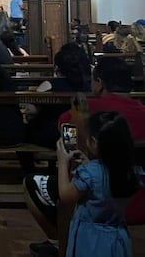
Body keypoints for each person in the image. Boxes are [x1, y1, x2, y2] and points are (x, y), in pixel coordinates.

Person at [25, 57, 145, 257]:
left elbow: (66, 137)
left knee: (34, 183)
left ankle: (58, 242)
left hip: (94, 202)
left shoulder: (86, 111)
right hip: (135, 193)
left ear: (99, 83)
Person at [57, 112, 139, 257]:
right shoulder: (128, 170)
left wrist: (63, 162)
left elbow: (65, 195)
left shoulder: (90, 173)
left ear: (94, 142)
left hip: (90, 240)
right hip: (117, 237)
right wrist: (89, 165)